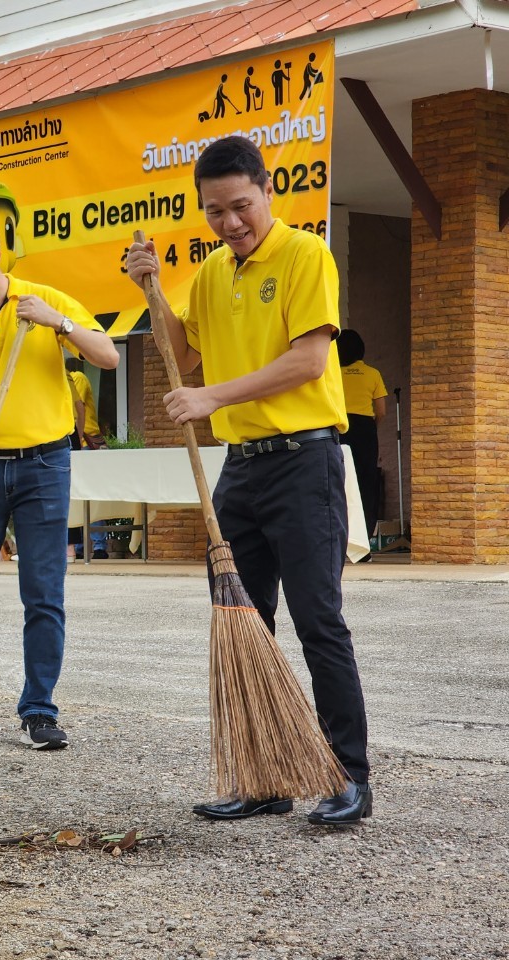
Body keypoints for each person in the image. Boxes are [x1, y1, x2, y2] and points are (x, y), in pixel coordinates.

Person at [125, 135, 371, 825]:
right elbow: (182, 355)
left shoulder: (304, 254)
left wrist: (213, 398)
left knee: (318, 620)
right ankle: (264, 778)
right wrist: (150, 290)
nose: (230, 222)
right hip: (241, 469)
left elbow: (309, 361)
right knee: (241, 622)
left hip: (304, 461)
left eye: (241, 205)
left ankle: (348, 777)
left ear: (268, 191)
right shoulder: (210, 272)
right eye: (214, 211)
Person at [0, 211, 119, 750]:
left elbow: (107, 356)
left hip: (45, 466)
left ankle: (38, 708)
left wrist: (59, 323)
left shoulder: (42, 300)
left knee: (43, 592)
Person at [336, 329, 386, 539]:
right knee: (366, 481)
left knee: (340, 482)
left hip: (339, 428)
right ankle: (364, 539)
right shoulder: (373, 373)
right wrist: (372, 428)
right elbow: (381, 411)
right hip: (365, 429)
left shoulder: (334, 374)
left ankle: (341, 537)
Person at [65, 360, 109, 561]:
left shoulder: (77, 378)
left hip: (85, 442)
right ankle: (80, 546)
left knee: (91, 495)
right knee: (77, 498)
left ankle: (99, 545)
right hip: (75, 442)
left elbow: (76, 407)